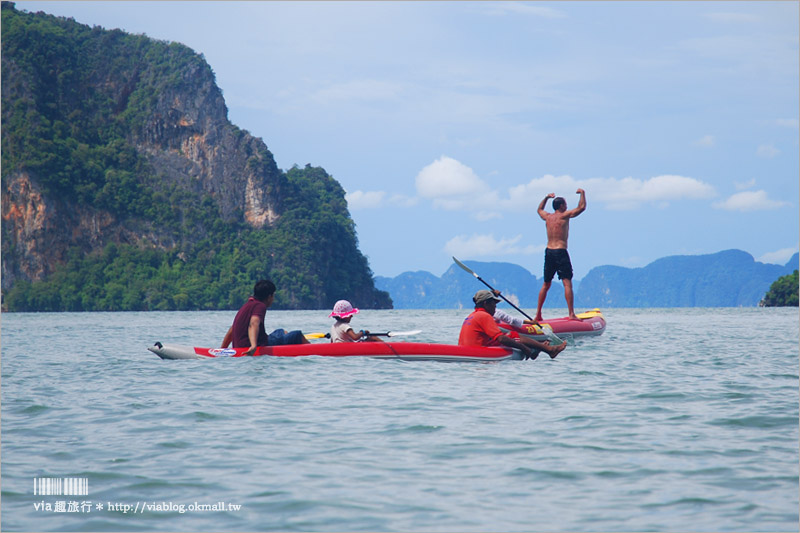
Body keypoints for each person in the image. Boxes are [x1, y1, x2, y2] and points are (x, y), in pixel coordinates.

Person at [459, 290, 566, 360]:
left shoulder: (472, 315)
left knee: (510, 337)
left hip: (467, 348)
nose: (495, 308)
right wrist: (523, 348)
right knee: (513, 336)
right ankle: (549, 350)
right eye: (493, 304)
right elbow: (501, 339)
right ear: (486, 303)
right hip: (477, 350)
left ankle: (538, 348)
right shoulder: (484, 316)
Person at [536, 188, 586, 321]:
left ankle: (538, 315)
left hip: (549, 251)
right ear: (561, 206)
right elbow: (581, 208)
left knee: (546, 284)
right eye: (565, 204)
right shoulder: (564, 216)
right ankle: (571, 314)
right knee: (567, 283)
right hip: (560, 251)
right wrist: (582, 193)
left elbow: (539, 210)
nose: (567, 206)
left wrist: (546, 197)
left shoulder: (547, 217)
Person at [221, 279, 309, 356]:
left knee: (281, 331)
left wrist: (221, 350)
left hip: (242, 346)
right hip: (255, 346)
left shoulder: (247, 305)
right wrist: (253, 346)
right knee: (297, 335)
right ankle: (314, 350)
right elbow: (254, 323)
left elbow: (232, 329)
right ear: (269, 297)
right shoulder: (260, 306)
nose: (273, 299)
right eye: (273, 296)